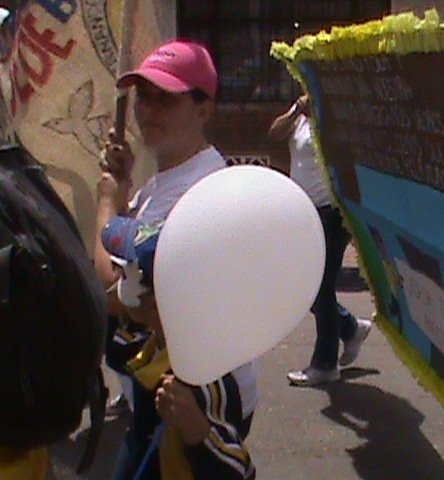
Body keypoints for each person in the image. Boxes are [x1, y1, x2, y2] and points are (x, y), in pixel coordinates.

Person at [94, 40, 257, 480]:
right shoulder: (165, 180)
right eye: (144, 96)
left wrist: (108, 199)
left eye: (166, 97)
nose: (148, 109)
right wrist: (126, 186)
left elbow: (112, 287)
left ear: (204, 109)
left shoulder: (200, 190)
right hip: (163, 388)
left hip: (197, 401)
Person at [268, 94, 372, 387]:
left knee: (319, 287)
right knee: (303, 285)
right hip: (303, 212)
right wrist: (297, 111)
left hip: (332, 213)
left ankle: (325, 365)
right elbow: (275, 134)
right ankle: (350, 328)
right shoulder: (300, 115)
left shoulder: (340, 114)